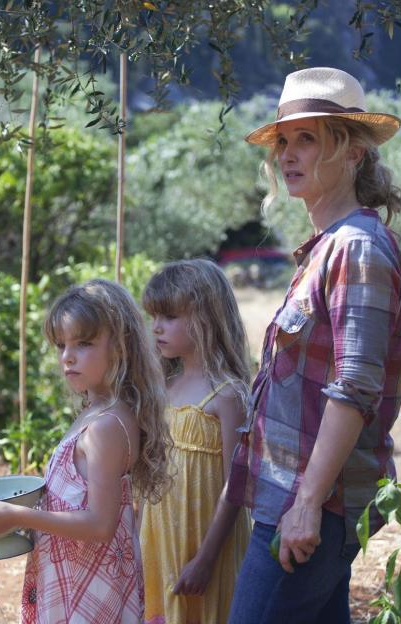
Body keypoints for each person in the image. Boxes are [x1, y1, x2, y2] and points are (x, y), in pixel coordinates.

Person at [225, 67, 401, 623]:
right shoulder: (329, 246)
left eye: (307, 138)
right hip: (298, 501)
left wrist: (306, 503)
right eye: (283, 139)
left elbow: (356, 387)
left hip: (311, 506)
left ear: (353, 151)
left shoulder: (357, 249)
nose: (288, 153)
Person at [0, 278, 172, 624]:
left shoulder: (107, 426)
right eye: (61, 345)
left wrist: (17, 516)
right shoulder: (98, 412)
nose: (67, 357)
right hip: (77, 573)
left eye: (84, 343)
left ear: (120, 347)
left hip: (92, 584)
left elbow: (99, 524)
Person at [138, 259, 254, 624]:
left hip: (207, 546)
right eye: (154, 316)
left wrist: (205, 559)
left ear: (206, 317)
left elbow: (235, 487)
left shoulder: (227, 395)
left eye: (169, 316)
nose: (156, 327)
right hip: (161, 541)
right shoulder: (164, 389)